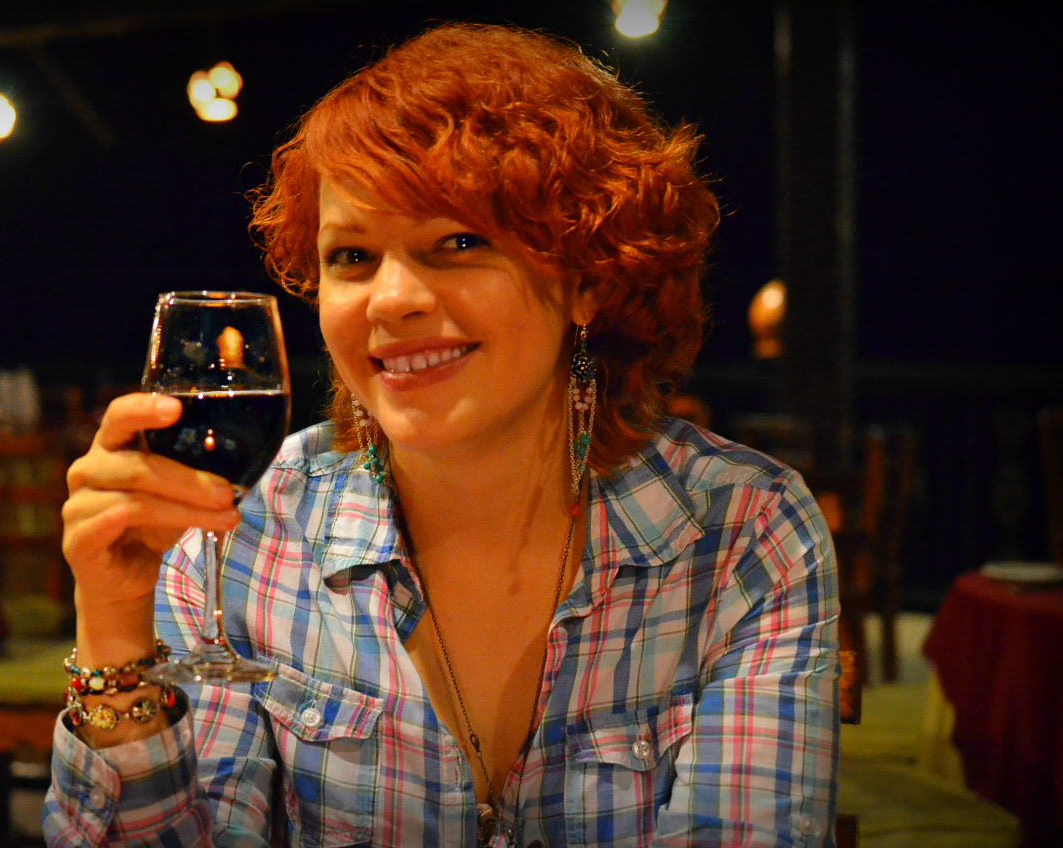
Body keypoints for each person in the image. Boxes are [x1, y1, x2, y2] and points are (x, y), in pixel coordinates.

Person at [44, 22, 839, 848]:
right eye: (352, 256)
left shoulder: (741, 530)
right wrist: (113, 628)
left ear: (590, 282)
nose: (392, 300)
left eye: (459, 243)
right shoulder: (244, 528)